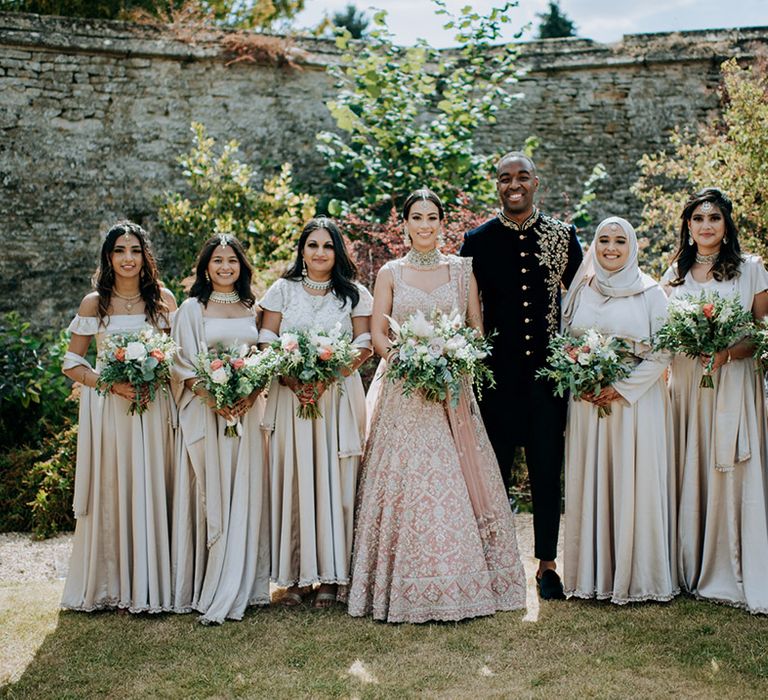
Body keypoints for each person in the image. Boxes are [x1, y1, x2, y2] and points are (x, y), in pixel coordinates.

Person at [347, 188, 526, 623]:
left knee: (457, 479)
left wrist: (452, 356)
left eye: (432, 218)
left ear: (441, 223)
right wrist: (407, 362)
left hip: (452, 393)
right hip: (404, 392)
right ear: (404, 224)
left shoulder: (462, 270)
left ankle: (464, 577)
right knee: (405, 480)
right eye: (416, 218)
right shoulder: (390, 272)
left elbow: (475, 329)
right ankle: (396, 580)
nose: (424, 225)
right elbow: (378, 335)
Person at [460, 152, 583, 599]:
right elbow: (464, 307)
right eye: (505, 178)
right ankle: (493, 563)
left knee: (547, 470)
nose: (514, 184)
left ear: (536, 182)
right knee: (493, 474)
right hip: (495, 381)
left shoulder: (561, 235)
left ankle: (547, 565)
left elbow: (584, 300)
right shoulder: (477, 240)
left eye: (522, 177)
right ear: (497, 185)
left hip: (547, 378)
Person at [61, 221, 177, 613]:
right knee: (115, 487)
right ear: (108, 258)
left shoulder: (163, 300)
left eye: (135, 250)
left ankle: (154, 583)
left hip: (155, 406)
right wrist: (111, 385)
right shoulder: (95, 303)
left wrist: (154, 375)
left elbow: (176, 357)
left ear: (146, 257)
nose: (128, 259)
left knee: (153, 484)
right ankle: (113, 584)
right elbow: (72, 363)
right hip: (111, 410)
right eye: (119, 251)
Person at [561, 217, 678, 604]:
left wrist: (621, 387)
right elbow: (564, 342)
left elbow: (663, 351)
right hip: (587, 402)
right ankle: (593, 575)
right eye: (604, 240)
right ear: (594, 245)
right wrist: (582, 377)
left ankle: (636, 575)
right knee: (592, 478)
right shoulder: (581, 290)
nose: (611, 248)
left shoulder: (651, 293)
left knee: (633, 480)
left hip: (635, 404)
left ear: (632, 247)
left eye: (619, 241)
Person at [662, 188, 768, 614]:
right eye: (698, 218)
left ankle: (730, 564)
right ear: (688, 226)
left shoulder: (751, 269)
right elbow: (662, 333)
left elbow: (761, 333)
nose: (706, 225)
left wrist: (726, 353)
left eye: (715, 218)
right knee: (692, 462)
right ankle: (689, 563)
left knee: (730, 469)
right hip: (688, 384)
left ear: (727, 226)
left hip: (733, 380)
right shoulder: (674, 274)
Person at [258, 218, 373, 608]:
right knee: (294, 478)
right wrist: (294, 380)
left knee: (333, 480)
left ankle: (329, 576)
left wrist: (325, 379)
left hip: (337, 397)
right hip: (290, 398)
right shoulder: (282, 290)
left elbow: (363, 345)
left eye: (327, 246)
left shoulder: (354, 294)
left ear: (337, 251)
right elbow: (266, 340)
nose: (320, 252)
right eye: (312, 245)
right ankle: (294, 577)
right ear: (302, 250)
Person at [170, 234, 269, 624]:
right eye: (217, 261)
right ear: (206, 267)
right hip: (206, 413)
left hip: (247, 413)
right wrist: (212, 398)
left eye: (232, 260)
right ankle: (209, 581)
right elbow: (181, 363)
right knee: (213, 492)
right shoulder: (192, 309)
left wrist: (250, 392)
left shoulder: (252, 308)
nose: (225, 267)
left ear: (242, 266)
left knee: (244, 491)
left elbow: (264, 357)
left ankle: (247, 582)